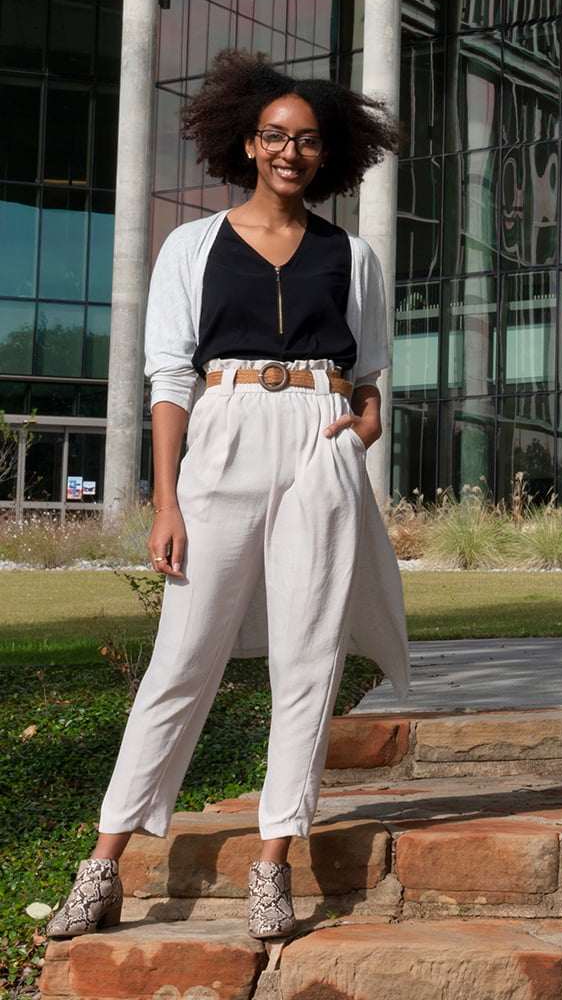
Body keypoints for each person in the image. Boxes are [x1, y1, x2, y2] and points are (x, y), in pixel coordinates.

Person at [46, 50, 410, 941]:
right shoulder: (192, 246)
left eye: (309, 142)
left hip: (320, 445)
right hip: (225, 432)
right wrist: (164, 501)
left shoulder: (351, 255)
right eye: (276, 137)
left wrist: (357, 434)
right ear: (248, 143)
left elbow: (369, 383)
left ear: (329, 156)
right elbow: (170, 380)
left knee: (308, 663)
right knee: (180, 662)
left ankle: (271, 865)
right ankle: (103, 866)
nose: (291, 152)